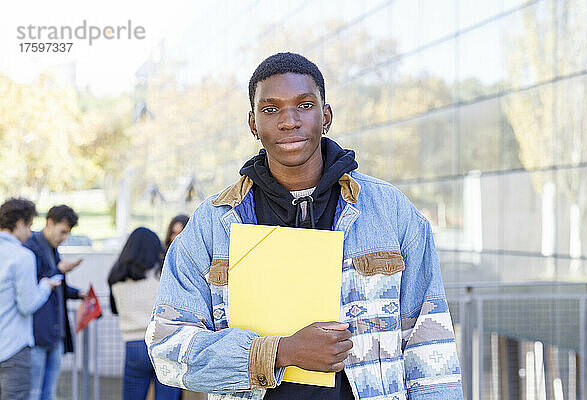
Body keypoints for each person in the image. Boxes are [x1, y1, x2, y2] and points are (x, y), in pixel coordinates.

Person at [145, 53, 463, 399]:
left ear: (326, 117)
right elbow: (167, 349)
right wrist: (283, 352)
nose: (288, 121)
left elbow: (430, 345)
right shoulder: (212, 224)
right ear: (253, 124)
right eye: (271, 110)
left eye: (305, 105)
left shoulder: (391, 211)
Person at [108, 227, 181, 400]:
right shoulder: (163, 274)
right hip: (164, 342)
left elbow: (115, 309)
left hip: (133, 345)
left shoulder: (117, 277)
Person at [0, 198, 61, 400]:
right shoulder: (22, 256)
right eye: (29, 226)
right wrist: (44, 286)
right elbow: (27, 305)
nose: (29, 233)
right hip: (12, 350)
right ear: (19, 224)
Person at [25, 205, 82, 400]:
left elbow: (57, 284)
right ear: (49, 223)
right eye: (63, 232)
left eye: (68, 233)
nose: (64, 237)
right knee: (33, 392)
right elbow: (34, 285)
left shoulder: (52, 248)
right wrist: (59, 270)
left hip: (55, 334)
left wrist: (78, 294)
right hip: (37, 334)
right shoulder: (30, 246)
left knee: (49, 392)